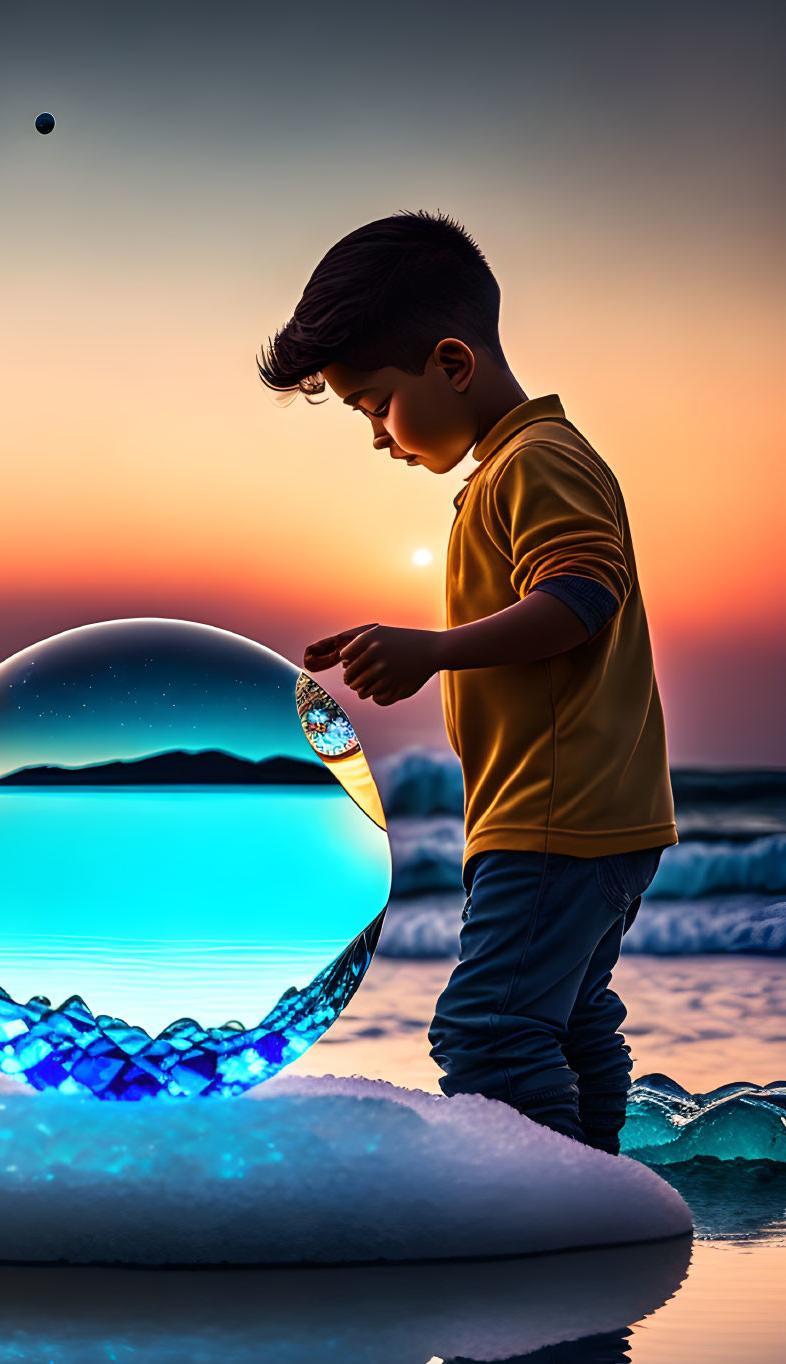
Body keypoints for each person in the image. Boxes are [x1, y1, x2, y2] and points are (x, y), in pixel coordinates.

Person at [258, 212, 676, 1153]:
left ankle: (550, 1218)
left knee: (486, 1030)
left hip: (554, 816)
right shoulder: (516, 469)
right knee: (566, 1018)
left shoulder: (537, 464)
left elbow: (580, 597)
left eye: (374, 404)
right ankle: (599, 1192)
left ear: (451, 363)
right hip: (583, 812)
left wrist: (430, 650)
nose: (376, 437)